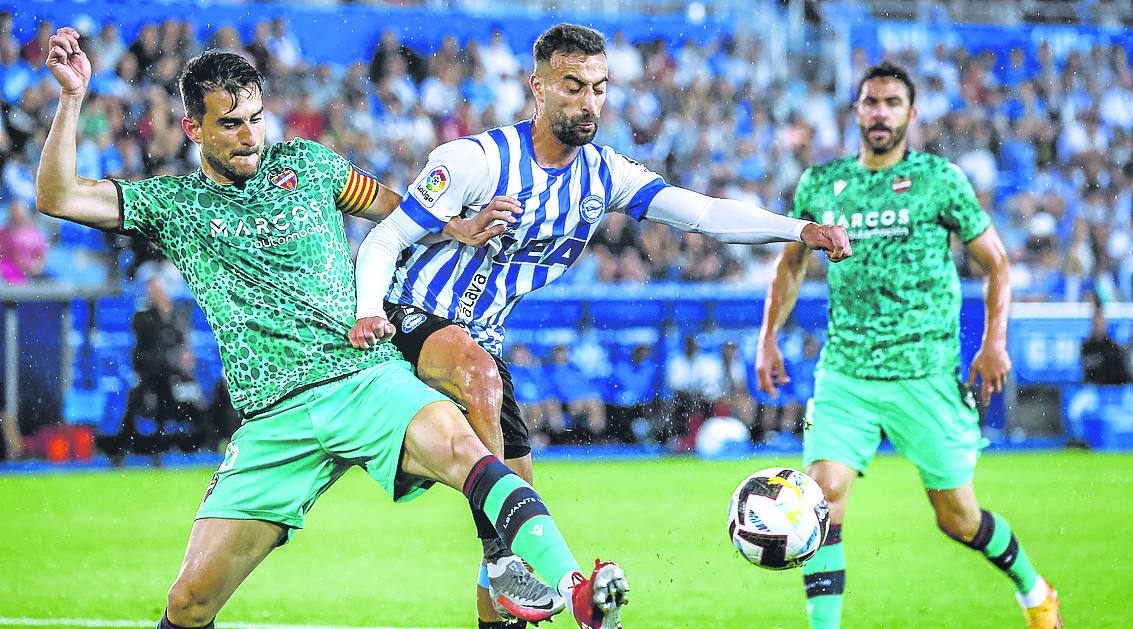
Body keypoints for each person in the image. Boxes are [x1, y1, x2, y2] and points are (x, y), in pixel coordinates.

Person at [36, 28, 627, 629]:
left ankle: (572, 586)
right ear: (195, 130)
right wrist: (72, 98)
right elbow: (57, 195)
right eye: (232, 125)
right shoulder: (172, 203)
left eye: (257, 119)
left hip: (364, 378)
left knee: (469, 456)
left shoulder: (308, 164)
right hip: (273, 418)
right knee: (188, 604)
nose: (251, 137)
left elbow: (395, 210)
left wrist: (453, 227)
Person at [349, 22, 851, 628]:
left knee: (516, 501)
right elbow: (383, 239)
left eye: (599, 87)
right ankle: (500, 555)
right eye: (572, 86)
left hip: (481, 346)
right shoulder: (475, 161)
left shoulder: (603, 175)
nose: (588, 102)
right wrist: (369, 311)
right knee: (496, 480)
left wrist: (800, 230)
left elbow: (701, 213)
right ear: (537, 88)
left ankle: (500, 584)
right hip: (409, 319)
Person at [755, 61, 1062, 629]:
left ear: (911, 114)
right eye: (871, 102)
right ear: (856, 111)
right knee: (822, 496)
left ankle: (1035, 590)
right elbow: (790, 265)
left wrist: (995, 342)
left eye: (892, 103)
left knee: (959, 519)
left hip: (926, 372)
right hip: (846, 371)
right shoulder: (820, 184)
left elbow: (996, 263)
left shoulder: (940, 180)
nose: (880, 113)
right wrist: (767, 338)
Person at [1080, 293, 1132, 385]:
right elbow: (1086, 376)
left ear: (1105, 322)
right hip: (1094, 392)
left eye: (1100, 320)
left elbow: (1123, 377)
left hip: (1112, 392)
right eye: (1096, 320)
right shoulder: (1086, 347)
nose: (1098, 324)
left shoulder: (1114, 349)